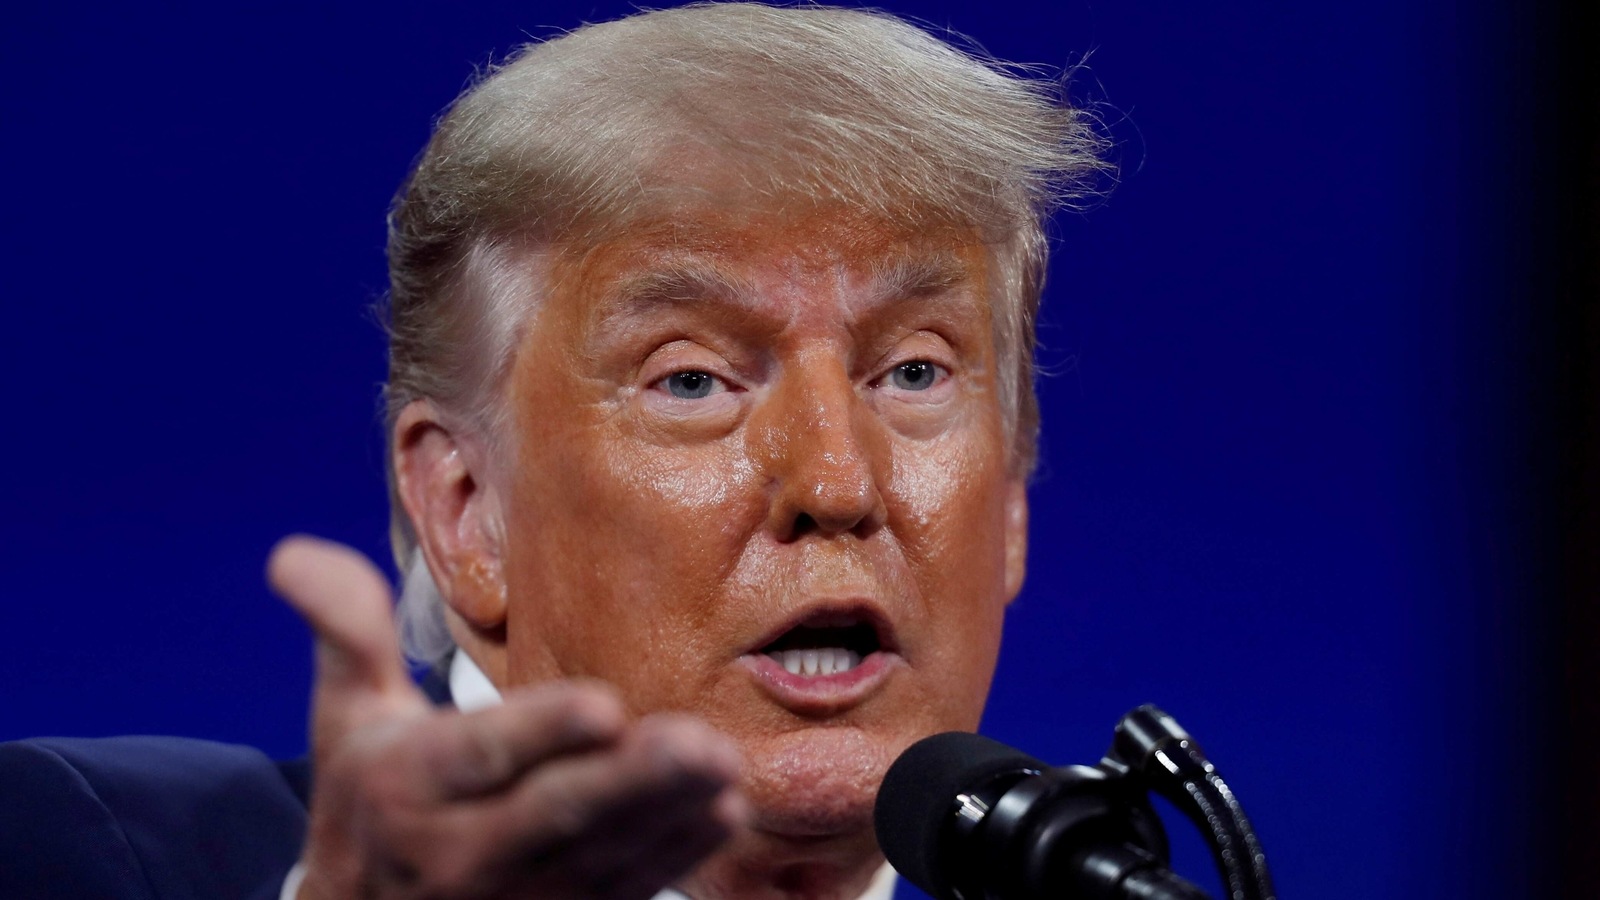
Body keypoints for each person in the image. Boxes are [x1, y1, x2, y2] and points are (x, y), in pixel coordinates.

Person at [0, 3, 1106, 898]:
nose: (835, 482)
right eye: (690, 380)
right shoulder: (76, 852)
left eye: (912, 372)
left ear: (1010, 502)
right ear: (468, 510)